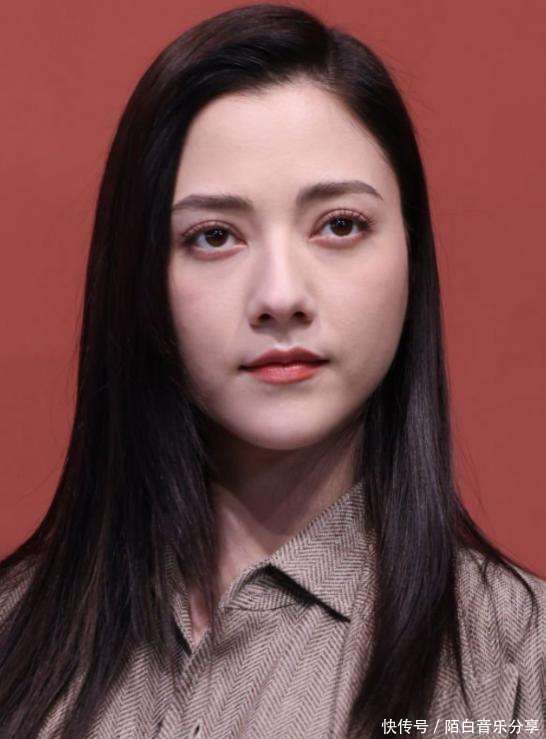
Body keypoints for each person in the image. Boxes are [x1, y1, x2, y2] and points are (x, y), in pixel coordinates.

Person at [0, 4, 544, 738]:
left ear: (412, 255)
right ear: (140, 275)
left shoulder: (518, 668)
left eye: (340, 225)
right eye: (214, 236)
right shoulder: (15, 637)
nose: (281, 295)